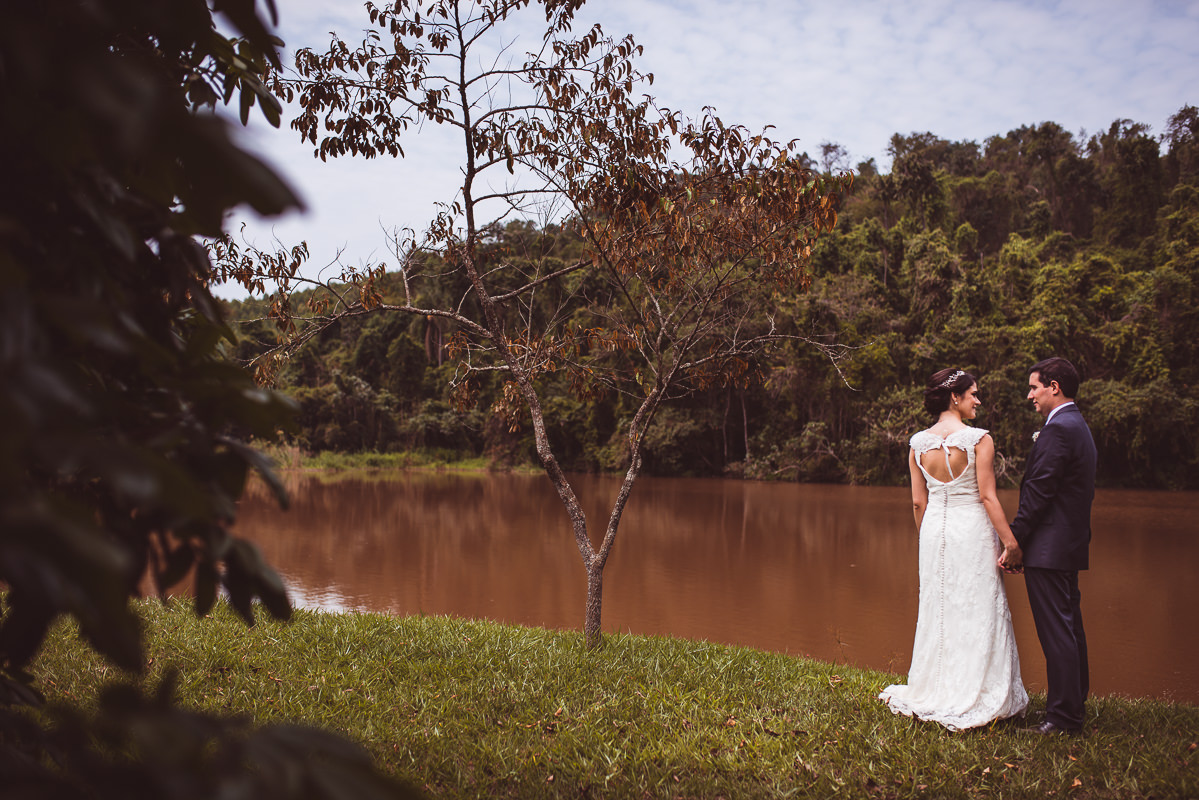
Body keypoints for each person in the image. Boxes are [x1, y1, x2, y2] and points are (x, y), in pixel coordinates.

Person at [879, 368, 1029, 731]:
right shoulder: (979, 440)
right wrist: (1011, 543)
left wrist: (929, 537)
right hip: (972, 528)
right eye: (973, 394)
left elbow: (918, 503)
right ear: (954, 397)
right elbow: (988, 497)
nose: (977, 400)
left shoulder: (918, 444)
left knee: (939, 607)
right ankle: (977, 691)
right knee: (977, 605)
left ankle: (935, 687)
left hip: (934, 530)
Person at [1010, 357, 1097, 735]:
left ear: (1054, 387)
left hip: (1049, 547)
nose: (1030, 395)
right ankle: (1073, 701)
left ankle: (1062, 718)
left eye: (1034, 387)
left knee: (1057, 632)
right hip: (1067, 544)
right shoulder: (1077, 424)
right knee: (1070, 627)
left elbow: (1039, 491)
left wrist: (1015, 540)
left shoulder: (1058, 429)